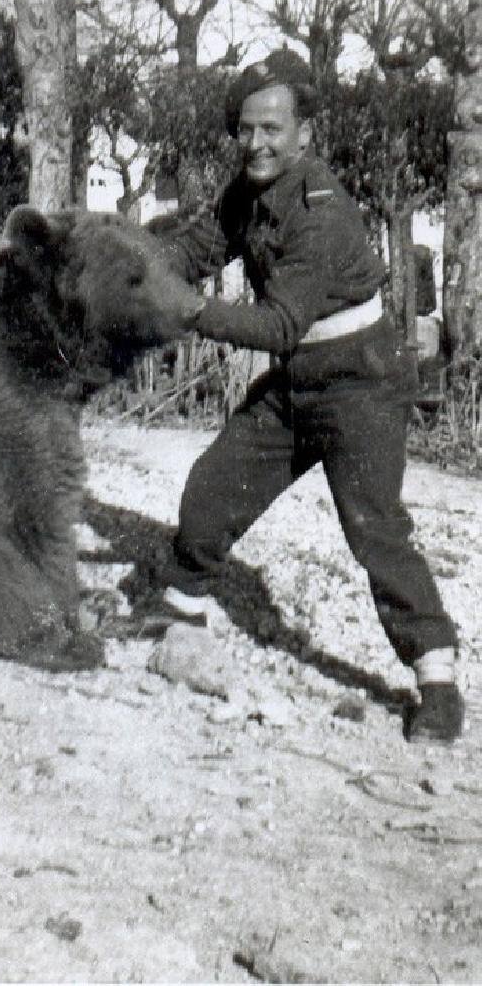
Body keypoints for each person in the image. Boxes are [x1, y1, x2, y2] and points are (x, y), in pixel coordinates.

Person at [169, 48, 463, 744]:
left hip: (361, 380)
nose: (256, 143)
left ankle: (438, 680)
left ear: (304, 134)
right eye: (246, 129)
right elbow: (194, 250)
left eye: (272, 129)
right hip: (297, 379)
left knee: (374, 530)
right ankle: (178, 614)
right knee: (212, 488)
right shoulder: (246, 192)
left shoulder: (321, 212)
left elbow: (276, 326)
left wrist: (188, 309)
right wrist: (132, 266)